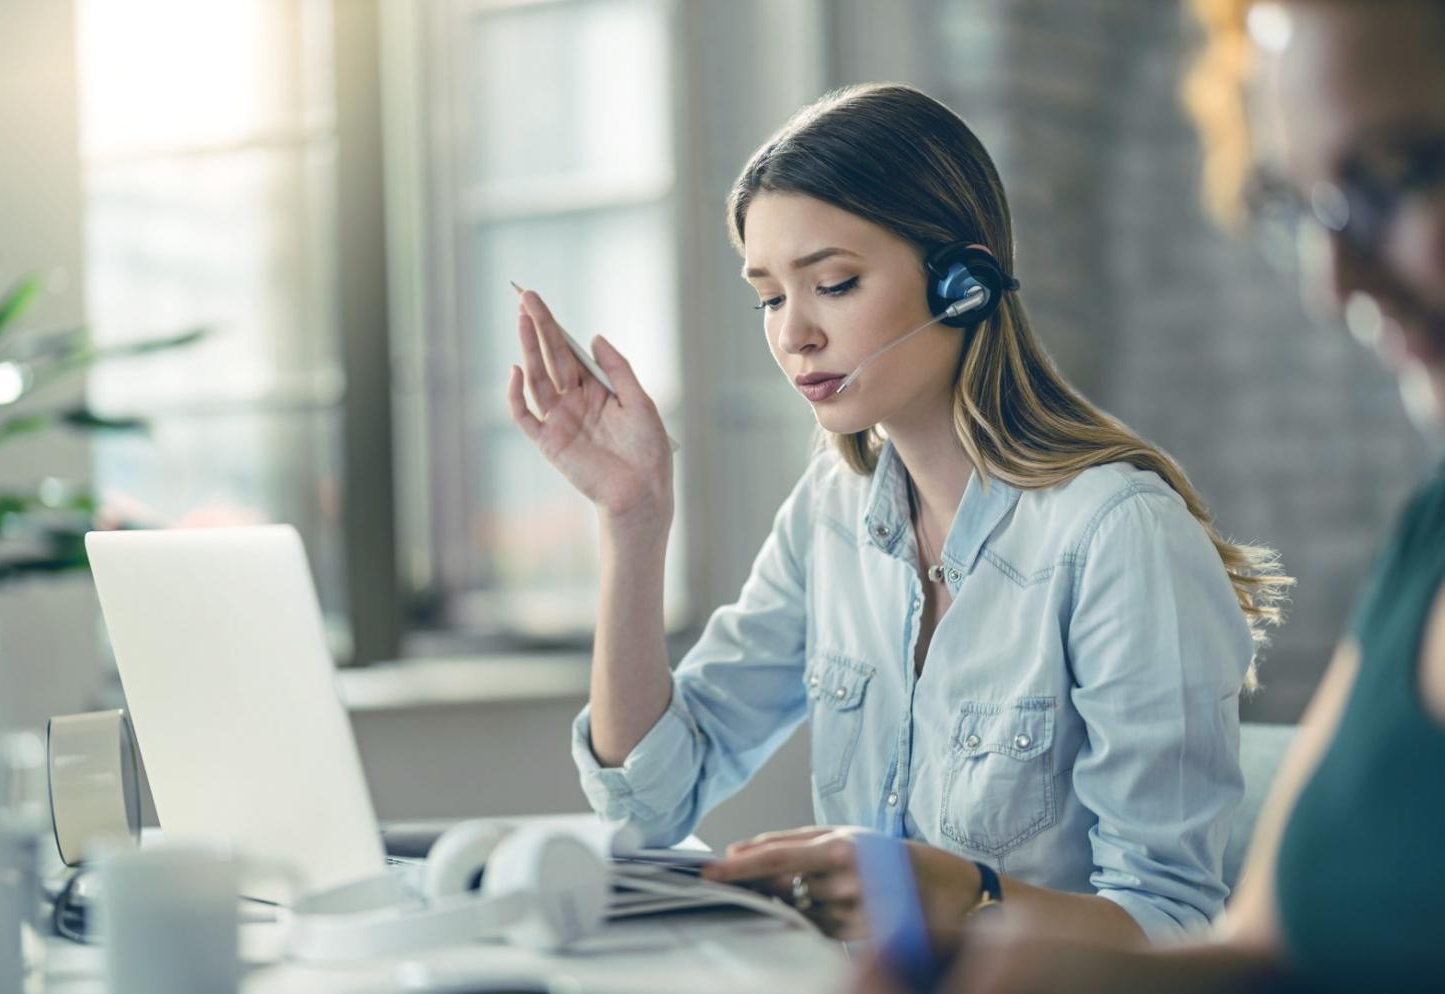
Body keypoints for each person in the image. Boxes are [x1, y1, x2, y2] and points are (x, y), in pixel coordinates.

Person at [506, 82, 1290, 944]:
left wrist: (955, 893)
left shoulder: (1119, 535)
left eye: (833, 283)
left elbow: (1171, 921)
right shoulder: (830, 517)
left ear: (963, 280)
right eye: (770, 296)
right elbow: (646, 800)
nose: (793, 334)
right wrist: (634, 520)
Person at [854, 1, 1445, 991]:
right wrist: (1005, 934)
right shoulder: (1426, 538)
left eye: (1391, 176)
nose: (1330, 278)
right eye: (1300, 208)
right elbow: (1265, 949)